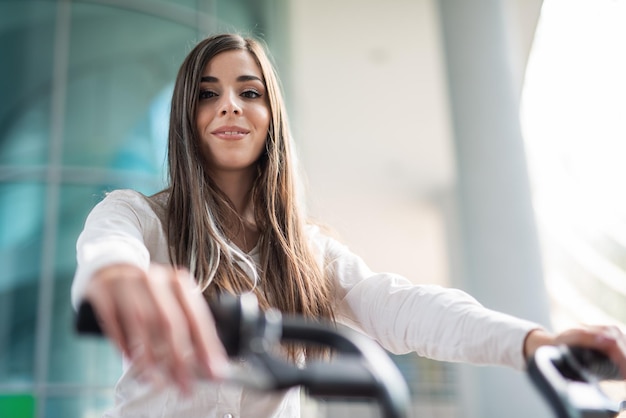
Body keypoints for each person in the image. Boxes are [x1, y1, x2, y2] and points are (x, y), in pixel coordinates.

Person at [71, 33, 626, 418]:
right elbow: (106, 252)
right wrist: (116, 276)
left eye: (250, 92)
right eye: (208, 94)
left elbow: (404, 306)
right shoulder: (138, 216)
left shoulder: (306, 252)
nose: (231, 107)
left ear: (272, 117)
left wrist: (535, 342)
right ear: (186, 120)